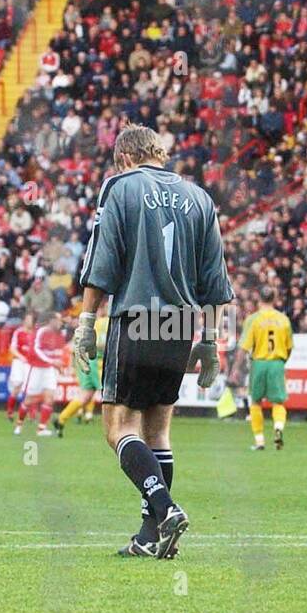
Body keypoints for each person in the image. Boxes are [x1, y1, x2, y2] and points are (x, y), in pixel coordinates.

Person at [72, 124, 233, 560]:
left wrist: (86, 322)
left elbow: (101, 260)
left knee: (118, 428)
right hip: (181, 324)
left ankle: (164, 509)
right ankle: (150, 536)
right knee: (158, 429)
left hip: (137, 317)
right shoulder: (200, 198)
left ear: (125, 157)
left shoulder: (120, 187)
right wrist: (211, 342)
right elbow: (215, 280)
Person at [238, 286, 293, 450]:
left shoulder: (253, 319)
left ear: (259, 299)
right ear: (275, 298)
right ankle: (278, 428)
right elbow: (289, 347)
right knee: (278, 402)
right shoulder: (283, 319)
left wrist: (236, 368)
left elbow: (244, 347)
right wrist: (282, 362)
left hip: (259, 363)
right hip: (277, 362)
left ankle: (259, 440)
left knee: (255, 401)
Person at [54, 305, 107, 436]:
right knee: (103, 393)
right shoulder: (106, 323)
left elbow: (75, 345)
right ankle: (115, 425)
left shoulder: (91, 324)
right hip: (94, 362)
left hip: (87, 361)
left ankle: (61, 419)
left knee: (86, 395)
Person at [16, 311, 64, 437]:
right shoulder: (41, 331)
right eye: (58, 320)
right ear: (51, 320)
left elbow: (52, 351)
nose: (61, 322)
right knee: (29, 400)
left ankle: (41, 429)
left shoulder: (55, 334)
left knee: (50, 398)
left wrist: (57, 365)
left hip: (48, 369)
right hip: (36, 369)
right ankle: (19, 424)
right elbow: (36, 350)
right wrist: (52, 361)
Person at [5, 313, 35, 422]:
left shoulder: (35, 333)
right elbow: (12, 348)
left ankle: (31, 414)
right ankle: (10, 411)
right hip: (19, 362)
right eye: (28, 319)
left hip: (30, 363)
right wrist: (21, 357)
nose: (29, 322)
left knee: (29, 387)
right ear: (24, 321)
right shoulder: (18, 332)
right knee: (17, 386)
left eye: (31, 320)